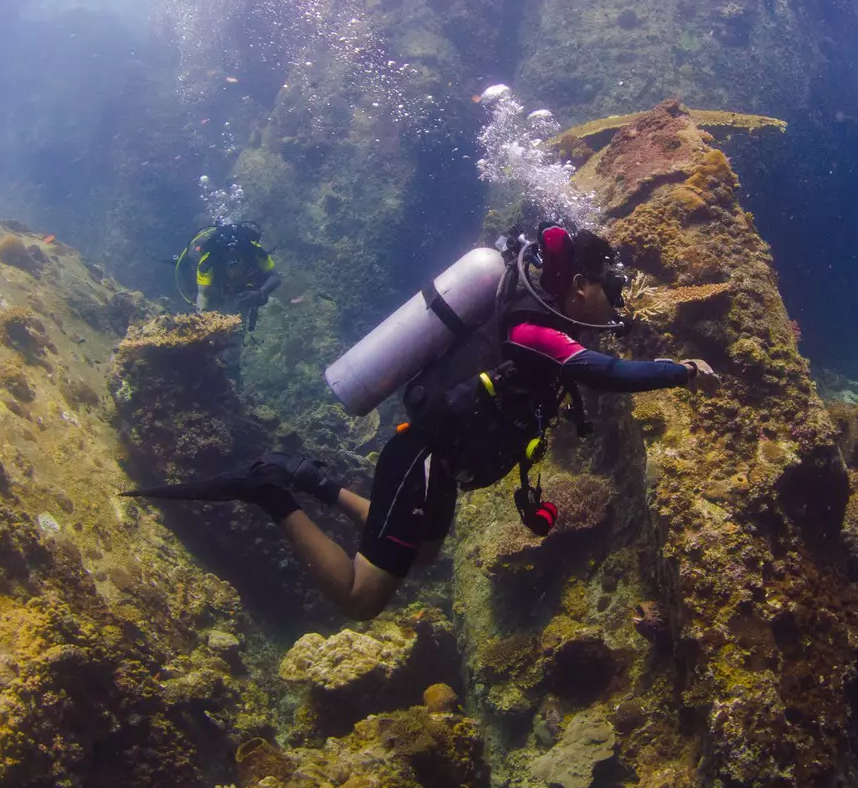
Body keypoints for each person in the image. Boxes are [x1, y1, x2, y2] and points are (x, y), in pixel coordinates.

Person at [129, 227, 715, 620]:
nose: (617, 305)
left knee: (427, 554)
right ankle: (269, 490)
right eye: (611, 292)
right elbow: (604, 372)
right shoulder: (536, 329)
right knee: (362, 599)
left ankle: (312, 479)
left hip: (433, 461)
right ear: (581, 286)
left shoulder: (534, 315)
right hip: (423, 464)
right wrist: (679, 370)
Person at [176, 222, 280, 329]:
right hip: (218, 288)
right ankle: (185, 268)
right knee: (195, 294)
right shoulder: (208, 262)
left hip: (246, 289)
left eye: (238, 265)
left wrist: (260, 292)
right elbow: (203, 294)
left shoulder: (255, 252)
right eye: (231, 267)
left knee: (244, 311)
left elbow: (275, 277)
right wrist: (202, 321)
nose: (234, 272)